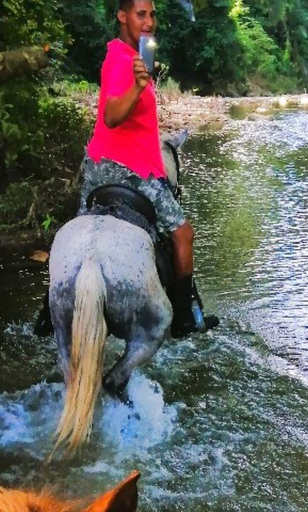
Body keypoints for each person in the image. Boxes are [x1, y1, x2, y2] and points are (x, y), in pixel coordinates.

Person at [79, 0, 217, 338]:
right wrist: (140, 85)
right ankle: (184, 318)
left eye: (152, 14)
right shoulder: (121, 60)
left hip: (97, 167)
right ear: (122, 16)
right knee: (184, 234)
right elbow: (112, 116)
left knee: (80, 232)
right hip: (132, 171)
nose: (149, 22)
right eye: (141, 14)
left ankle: (48, 312)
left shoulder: (129, 56)